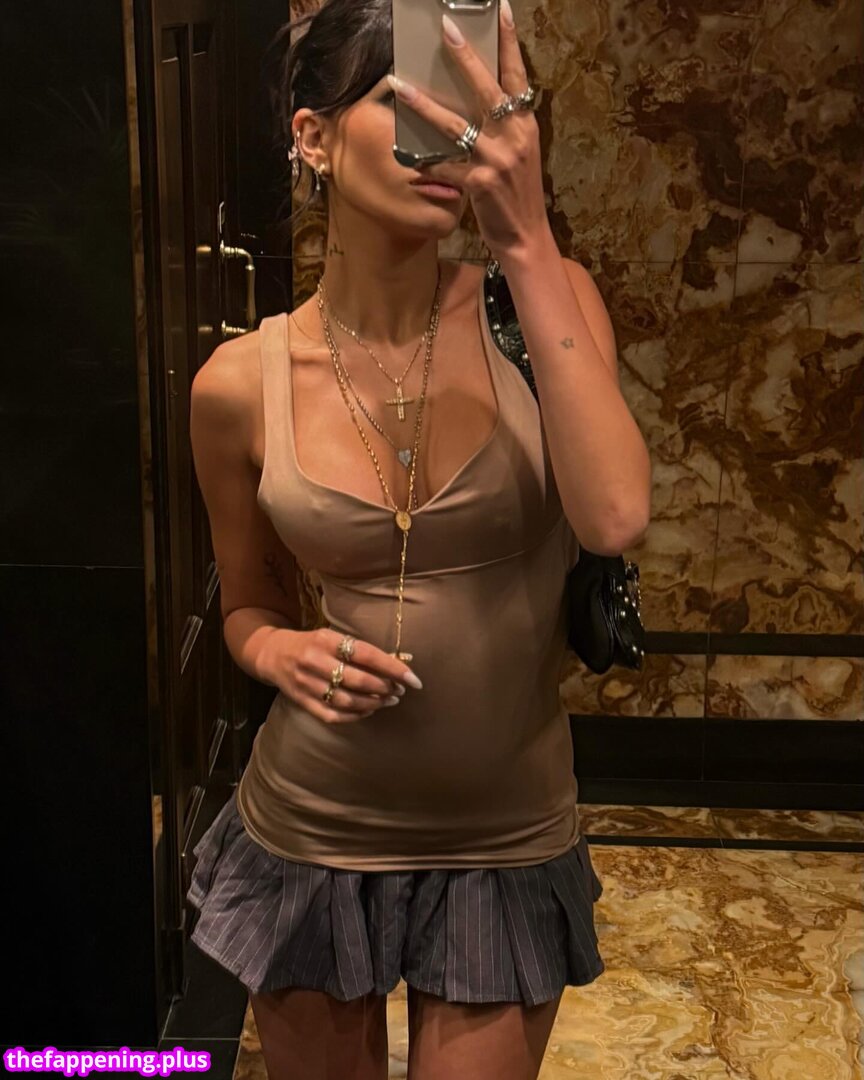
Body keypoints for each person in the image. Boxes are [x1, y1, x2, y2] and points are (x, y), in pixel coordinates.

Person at [185, 0, 652, 1077]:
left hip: (507, 836)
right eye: (412, 106)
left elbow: (615, 516)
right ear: (313, 138)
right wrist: (278, 651)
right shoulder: (238, 385)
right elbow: (247, 604)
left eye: (472, 113)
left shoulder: (543, 304)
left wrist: (524, 236)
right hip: (310, 830)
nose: (450, 141)